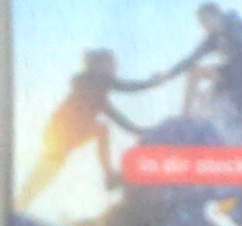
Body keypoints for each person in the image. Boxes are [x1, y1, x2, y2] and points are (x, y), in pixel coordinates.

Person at [16, 49, 163, 209]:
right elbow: (128, 90)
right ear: (98, 67)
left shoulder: (97, 88)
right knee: (47, 170)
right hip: (61, 133)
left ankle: (22, 203)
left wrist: (139, 129)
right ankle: (108, 175)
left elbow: (118, 111)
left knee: (47, 171)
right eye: (110, 66)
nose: (114, 71)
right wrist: (152, 83)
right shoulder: (95, 83)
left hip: (64, 135)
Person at [154, 2, 242, 136]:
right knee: (199, 82)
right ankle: (187, 118)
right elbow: (192, 58)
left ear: (215, 16)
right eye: (201, 23)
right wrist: (168, 75)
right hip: (232, 76)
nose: (203, 27)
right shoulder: (215, 37)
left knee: (198, 76)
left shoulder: (241, 26)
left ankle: (186, 116)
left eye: (204, 22)